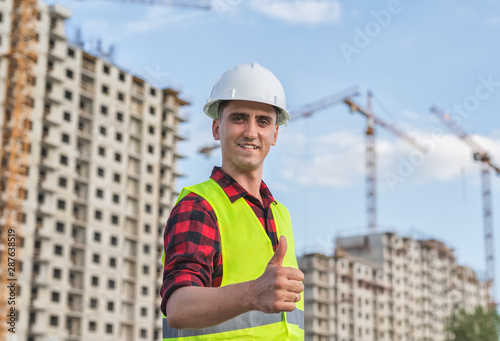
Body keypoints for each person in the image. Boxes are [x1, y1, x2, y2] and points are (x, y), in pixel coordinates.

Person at [160, 63, 304, 340]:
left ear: (274, 135)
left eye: (263, 121)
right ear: (217, 129)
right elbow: (178, 307)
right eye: (239, 118)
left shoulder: (280, 213)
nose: (251, 132)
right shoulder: (200, 206)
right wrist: (251, 294)